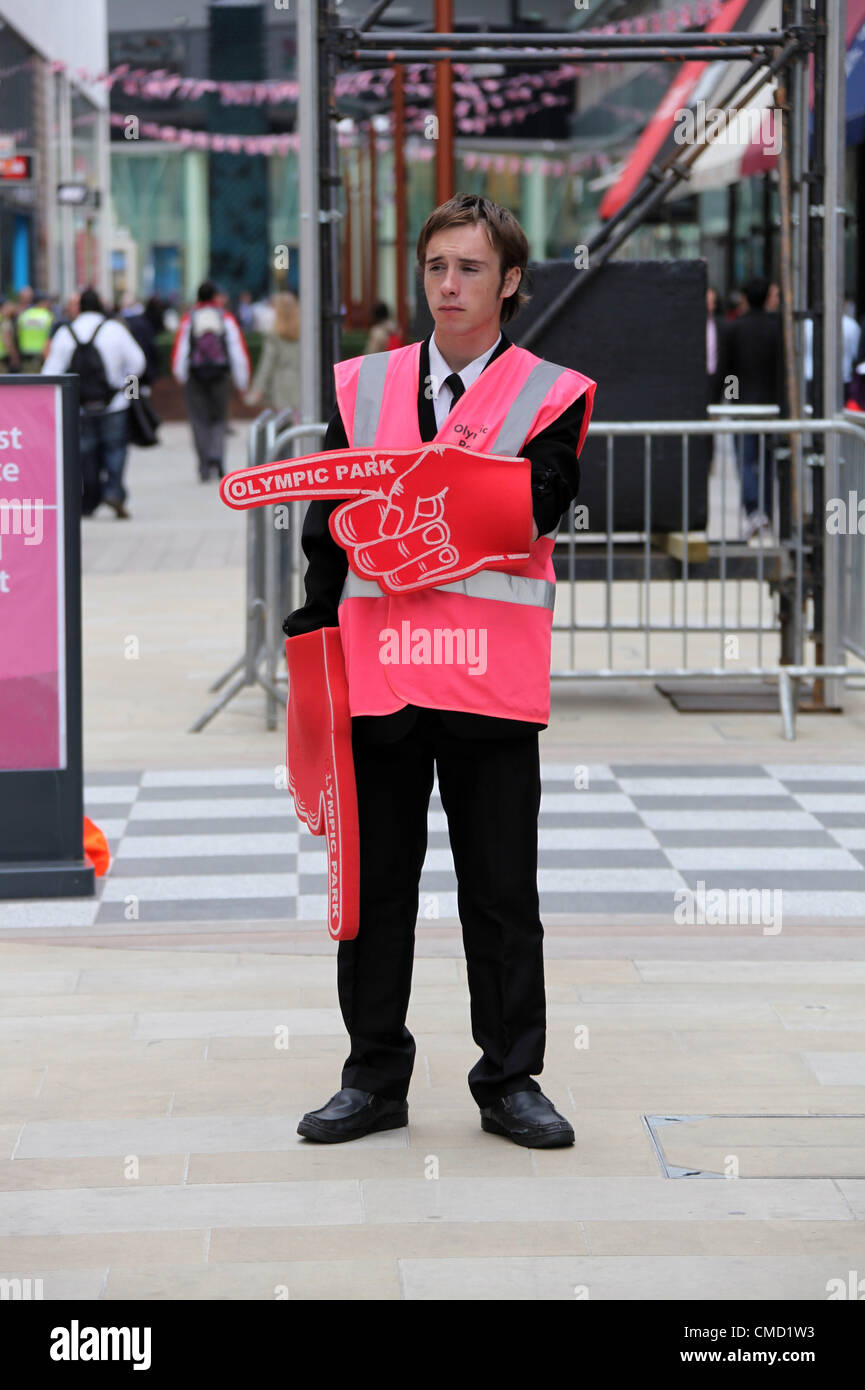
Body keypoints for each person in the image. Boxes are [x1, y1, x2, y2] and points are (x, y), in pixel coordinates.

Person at [283, 193, 596, 1148]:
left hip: (489, 677)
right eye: (434, 268)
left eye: (468, 269)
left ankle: (509, 1081)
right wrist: (314, 634)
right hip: (379, 672)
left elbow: (532, 512)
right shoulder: (359, 387)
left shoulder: (553, 393)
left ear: (509, 282)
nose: (448, 286)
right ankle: (372, 1076)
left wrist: (403, 505)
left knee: (501, 892)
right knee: (373, 888)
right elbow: (327, 527)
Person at [42, 286, 146, 519]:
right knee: (116, 449)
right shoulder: (115, 330)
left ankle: (89, 500)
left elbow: (50, 372)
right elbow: (137, 364)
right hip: (115, 403)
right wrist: (130, 396)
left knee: (85, 452)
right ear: (101, 305)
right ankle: (114, 492)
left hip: (78, 405)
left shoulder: (66, 333)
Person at [721, 276, 784, 540]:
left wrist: (731, 398)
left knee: (746, 460)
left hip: (744, 405)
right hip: (771, 405)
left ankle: (753, 510)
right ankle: (766, 511)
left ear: (745, 298)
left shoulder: (735, 328)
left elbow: (728, 370)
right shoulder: (777, 328)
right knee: (768, 461)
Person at [170, 279, 250, 481]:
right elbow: (236, 351)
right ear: (215, 297)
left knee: (199, 420)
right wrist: (242, 381)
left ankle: (204, 463)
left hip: (196, 377)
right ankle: (217, 455)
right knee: (219, 418)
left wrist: (181, 375)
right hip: (220, 376)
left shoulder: (189, 319)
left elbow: (182, 350)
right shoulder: (226, 318)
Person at [244, 291, 300, 415]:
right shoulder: (305, 334)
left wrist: (257, 390)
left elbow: (266, 366)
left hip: (280, 389)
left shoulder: (274, 336)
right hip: (302, 385)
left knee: (283, 427)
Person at [15, 287, 53, 370]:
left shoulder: (24, 315)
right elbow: (51, 336)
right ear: (42, 302)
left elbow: (17, 334)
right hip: (41, 355)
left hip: (26, 354)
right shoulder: (48, 316)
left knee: (28, 380)